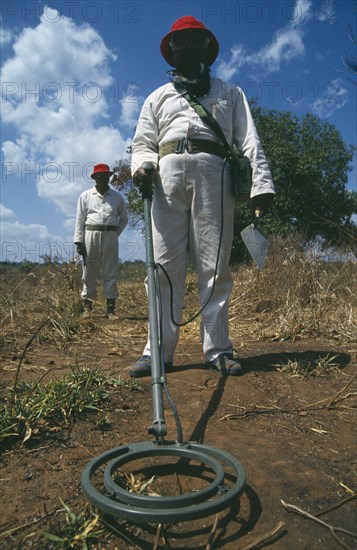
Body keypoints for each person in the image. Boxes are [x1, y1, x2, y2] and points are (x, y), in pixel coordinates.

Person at [129, 16, 275, 377]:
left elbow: (248, 139)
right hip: (165, 177)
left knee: (214, 266)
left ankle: (218, 349)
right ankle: (157, 352)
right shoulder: (157, 97)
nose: (189, 47)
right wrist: (144, 167)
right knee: (162, 268)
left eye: (197, 40)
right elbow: (143, 143)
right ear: (171, 51)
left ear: (208, 48)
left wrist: (261, 185)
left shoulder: (230, 93)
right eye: (182, 42)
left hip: (215, 173)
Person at [74, 163, 128, 318]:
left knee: (110, 271)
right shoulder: (85, 196)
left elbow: (124, 219)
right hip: (90, 235)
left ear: (109, 177)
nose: (102, 178)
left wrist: (114, 234)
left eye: (105, 175)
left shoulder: (117, 197)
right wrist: (78, 241)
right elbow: (79, 219)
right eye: (99, 175)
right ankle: (87, 308)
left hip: (110, 236)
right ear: (94, 177)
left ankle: (110, 310)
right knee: (89, 272)